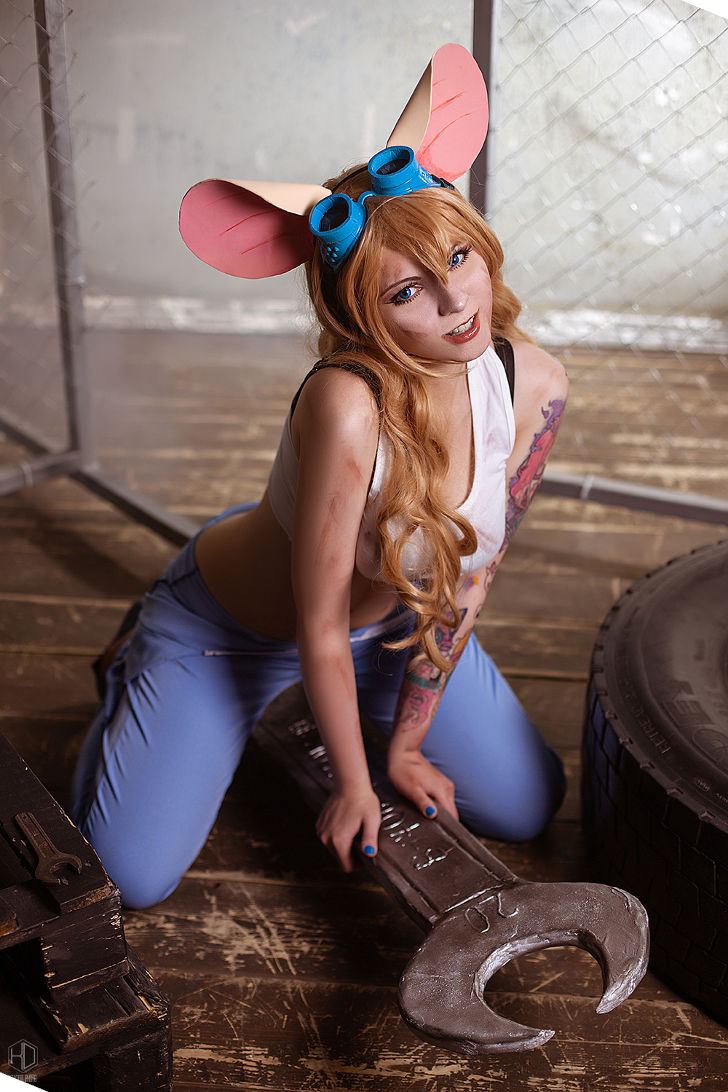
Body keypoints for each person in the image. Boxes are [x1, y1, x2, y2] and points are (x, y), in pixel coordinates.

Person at [69, 43, 569, 910]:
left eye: (458, 257)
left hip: (390, 622)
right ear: (360, 314)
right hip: (241, 626)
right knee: (129, 878)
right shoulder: (347, 404)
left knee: (530, 804)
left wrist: (405, 745)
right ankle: (140, 660)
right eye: (405, 293)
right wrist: (354, 783)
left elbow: (471, 578)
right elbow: (320, 623)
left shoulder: (534, 384)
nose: (455, 302)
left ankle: (329, 642)